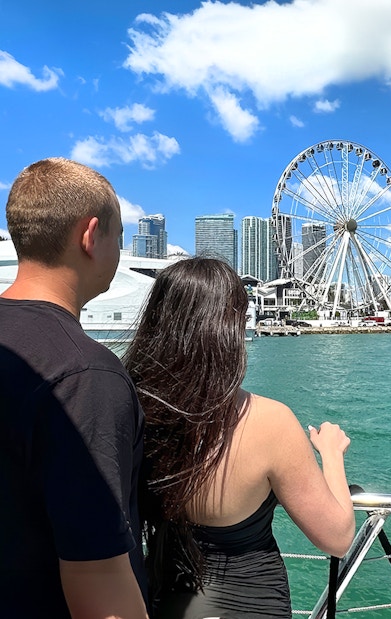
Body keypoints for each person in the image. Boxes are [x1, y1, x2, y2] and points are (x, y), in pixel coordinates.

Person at [124, 257, 355, 618]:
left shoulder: (131, 408)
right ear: (230, 327)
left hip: (161, 601)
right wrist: (332, 454)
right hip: (252, 603)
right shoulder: (269, 421)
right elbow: (338, 539)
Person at [0, 158, 149, 619]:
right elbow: (100, 589)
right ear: (90, 236)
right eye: (120, 235)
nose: (121, 249)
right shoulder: (85, 375)